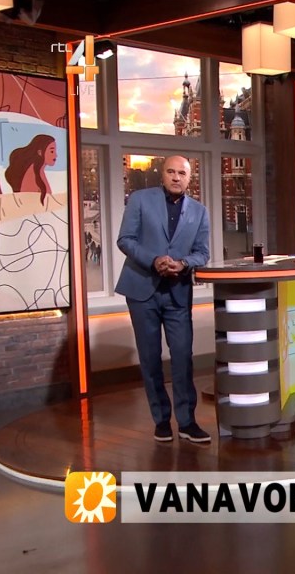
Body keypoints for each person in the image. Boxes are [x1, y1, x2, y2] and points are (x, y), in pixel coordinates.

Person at [115, 155, 211, 442]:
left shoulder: (200, 211)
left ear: (189, 178)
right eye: (171, 171)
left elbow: (202, 253)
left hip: (177, 293)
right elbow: (125, 239)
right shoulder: (140, 200)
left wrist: (183, 263)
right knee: (150, 359)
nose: (176, 177)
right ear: (162, 174)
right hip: (141, 290)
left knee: (182, 358)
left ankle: (187, 422)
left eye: (182, 173)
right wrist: (154, 259)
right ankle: (161, 421)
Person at [5, 134, 56, 205]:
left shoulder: (39, 171)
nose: (56, 155)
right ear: (40, 152)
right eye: (52, 151)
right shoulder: (32, 174)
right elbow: (27, 204)